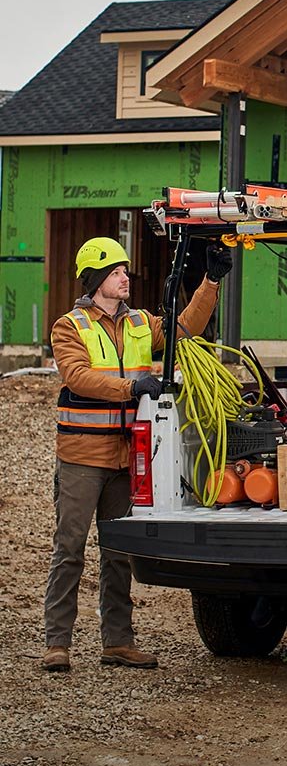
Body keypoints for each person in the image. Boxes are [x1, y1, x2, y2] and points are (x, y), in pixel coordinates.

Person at [42, 236, 231, 672]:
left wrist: (210, 283)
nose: (125, 277)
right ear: (95, 280)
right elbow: (79, 377)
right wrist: (132, 386)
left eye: (125, 270)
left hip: (125, 457)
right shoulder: (69, 326)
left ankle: (118, 642)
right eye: (116, 272)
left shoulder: (142, 323)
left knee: (118, 552)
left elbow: (186, 329)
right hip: (81, 457)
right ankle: (57, 644)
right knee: (70, 547)